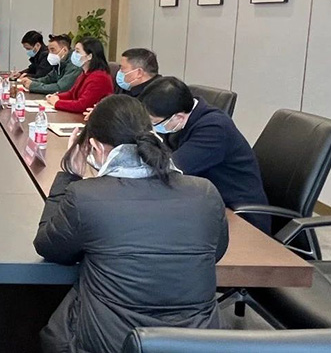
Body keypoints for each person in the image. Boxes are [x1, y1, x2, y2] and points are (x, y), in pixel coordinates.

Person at [34, 95, 228, 353]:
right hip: (195, 345)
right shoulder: (205, 192)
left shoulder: (87, 196)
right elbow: (215, 252)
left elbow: (49, 246)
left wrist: (69, 173)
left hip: (109, 344)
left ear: (96, 147)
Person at [139, 76, 270, 232]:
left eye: (154, 122)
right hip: (205, 203)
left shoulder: (214, 128)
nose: (152, 126)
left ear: (178, 116)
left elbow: (170, 168)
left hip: (240, 218)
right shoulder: (179, 121)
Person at [45, 37, 114, 113]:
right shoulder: (85, 73)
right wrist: (57, 97)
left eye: (77, 51)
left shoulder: (100, 77)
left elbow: (82, 105)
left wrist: (57, 103)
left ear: (89, 56)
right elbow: (72, 94)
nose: (74, 54)